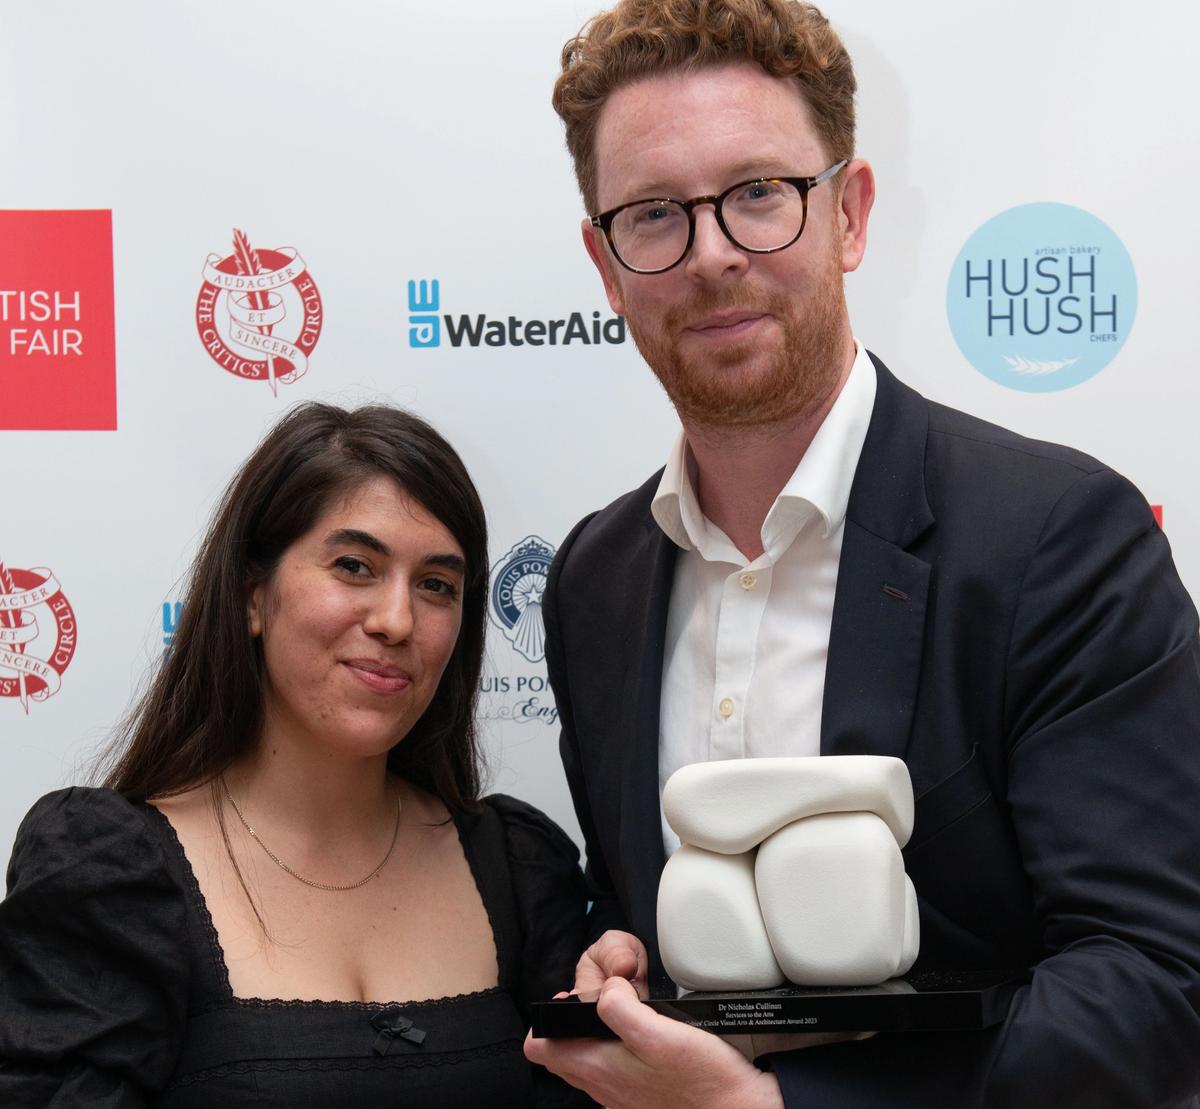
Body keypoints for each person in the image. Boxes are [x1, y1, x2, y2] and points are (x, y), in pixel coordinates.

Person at [523, 2, 1200, 1106]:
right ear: (606, 264)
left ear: (849, 213)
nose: (711, 256)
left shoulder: (1059, 537)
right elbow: (647, 905)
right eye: (654, 215)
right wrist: (621, 960)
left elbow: (1160, 982)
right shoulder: (594, 579)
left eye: (758, 195)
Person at [0, 403, 595, 1108]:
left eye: (436, 585)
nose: (397, 620)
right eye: (355, 565)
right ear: (253, 595)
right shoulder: (108, 871)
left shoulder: (519, 867)